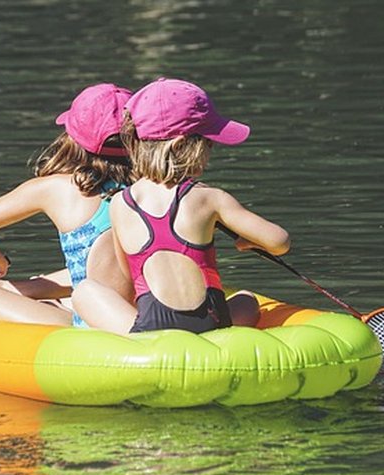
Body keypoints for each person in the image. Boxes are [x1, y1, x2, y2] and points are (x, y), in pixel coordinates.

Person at [73, 78, 290, 334]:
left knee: (85, 292)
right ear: (182, 146)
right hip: (212, 325)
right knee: (247, 299)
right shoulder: (210, 197)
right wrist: (247, 241)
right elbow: (280, 242)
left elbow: (129, 275)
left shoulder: (120, 203)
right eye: (207, 143)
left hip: (151, 330)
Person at [0, 83, 135, 326]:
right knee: (51, 286)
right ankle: (26, 290)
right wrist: (12, 287)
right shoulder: (153, 188)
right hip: (135, 315)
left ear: (72, 138)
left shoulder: (56, 188)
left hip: (93, 326)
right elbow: (112, 273)